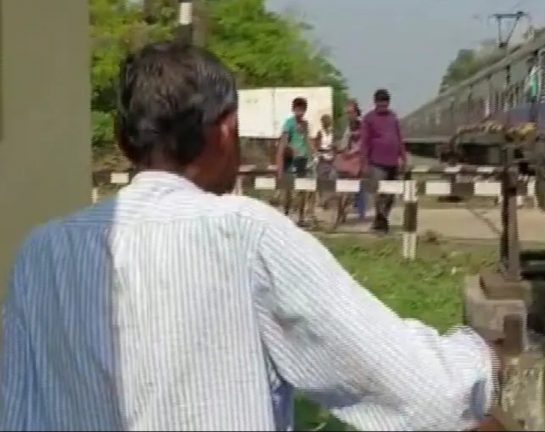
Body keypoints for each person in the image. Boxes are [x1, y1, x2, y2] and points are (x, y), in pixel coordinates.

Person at [0, 42, 500, 431]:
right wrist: (480, 355)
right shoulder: (245, 235)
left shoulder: (42, 252)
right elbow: (424, 393)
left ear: (123, 141)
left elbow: (15, 412)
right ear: (226, 132)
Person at [360, 89, 408, 233]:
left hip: (393, 161)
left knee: (391, 194)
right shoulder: (368, 118)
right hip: (377, 162)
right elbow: (365, 142)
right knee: (380, 193)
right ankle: (381, 220)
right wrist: (364, 163)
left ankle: (382, 218)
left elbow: (399, 138)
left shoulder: (393, 117)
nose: (383, 106)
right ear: (375, 102)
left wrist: (404, 158)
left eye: (385, 103)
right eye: (380, 103)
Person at [276, 97, 313, 226]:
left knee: (302, 189)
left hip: (302, 159)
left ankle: (301, 217)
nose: (300, 112)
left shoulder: (305, 124)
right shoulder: (289, 123)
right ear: (293, 109)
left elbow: (307, 140)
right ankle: (286, 215)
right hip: (290, 159)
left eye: (302, 109)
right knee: (288, 189)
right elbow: (284, 142)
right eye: (298, 109)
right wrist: (291, 149)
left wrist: (312, 155)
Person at [313, 113, 336, 210]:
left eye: (327, 121)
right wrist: (319, 153)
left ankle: (327, 200)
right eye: (324, 121)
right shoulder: (320, 133)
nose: (326, 123)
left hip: (331, 158)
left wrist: (333, 149)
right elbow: (316, 146)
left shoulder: (333, 133)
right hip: (322, 158)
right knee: (321, 180)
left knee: (330, 180)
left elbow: (335, 145)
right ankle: (322, 200)